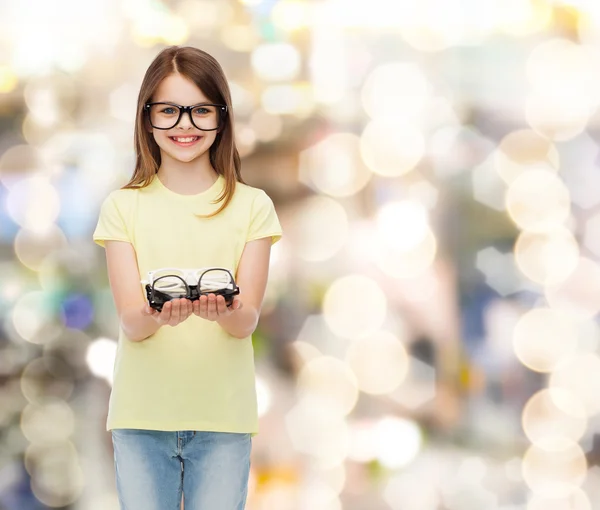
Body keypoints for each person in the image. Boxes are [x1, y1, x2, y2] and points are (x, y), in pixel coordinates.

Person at [92, 46, 282, 510]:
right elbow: (133, 324)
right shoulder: (123, 206)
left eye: (200, 110)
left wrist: (227, 310)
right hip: (142, 417)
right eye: (169, 111)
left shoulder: (252, 206)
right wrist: (160, 316)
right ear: (147, 118)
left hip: (223, 418)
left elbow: (246, 322)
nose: (185, 125)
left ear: (221, 117)